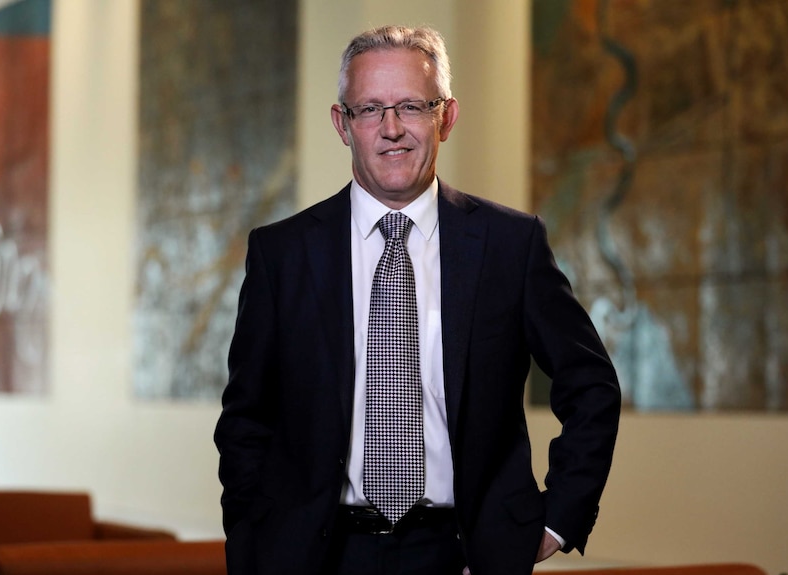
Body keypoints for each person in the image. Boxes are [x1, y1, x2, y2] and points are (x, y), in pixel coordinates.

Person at [214, 25, 620, 575]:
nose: (391, 130)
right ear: (343, 124)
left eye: (411, 106)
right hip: (317, 556)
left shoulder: (509, 246)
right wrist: (251, 534)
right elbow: (246, 417)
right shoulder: (281, 254)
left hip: (465, 554)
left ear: (446, 117)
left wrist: (555, 520)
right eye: (369, 110)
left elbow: (590, 384)